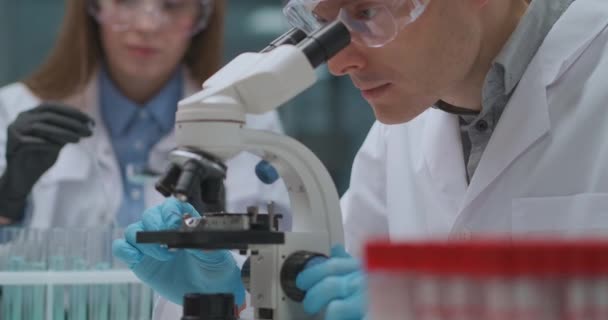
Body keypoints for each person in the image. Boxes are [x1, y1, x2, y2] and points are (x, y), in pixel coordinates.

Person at [115, 0, 608, 319]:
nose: (337, 62)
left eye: (367, 14)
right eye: (323, 28)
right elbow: (325, 302)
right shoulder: (399, 136)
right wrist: (231, 303)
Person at [0, 0, 288, 227]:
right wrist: (8, 201)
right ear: (93, 7)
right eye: (125, 1)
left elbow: (276, 259)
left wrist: (217, 236)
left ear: (203, 15)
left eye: (173, 4)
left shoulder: (251, 120)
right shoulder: (12, 109)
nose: (147, 25)